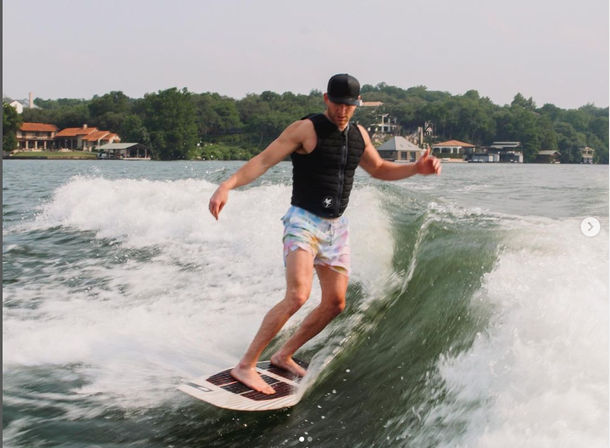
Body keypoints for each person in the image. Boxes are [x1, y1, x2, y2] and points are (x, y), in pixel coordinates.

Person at [209, 74, 441, 394]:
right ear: (325, 99)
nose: (343, 110)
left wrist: (416, 168)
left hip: (335, 228)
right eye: (338, 103)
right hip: (302, 221)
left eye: (349, 105)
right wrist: (227, 185)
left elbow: (379, 169)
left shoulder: (358, 135)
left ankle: (283, 354)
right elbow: (264, 159)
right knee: (298, 295)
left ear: (356, 105)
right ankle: (245, 365)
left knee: (335, 302)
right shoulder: (306, 129)